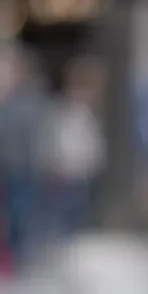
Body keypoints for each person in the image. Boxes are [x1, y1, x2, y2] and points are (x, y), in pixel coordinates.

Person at [0, 49, 47, 270]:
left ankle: (19, 253)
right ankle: (9, 254)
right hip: (4, 169)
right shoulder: (1, 103)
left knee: (21, 212)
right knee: (6, 214)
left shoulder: (32, 101)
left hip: (25, 168)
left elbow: (37, 136)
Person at [39, 60, 107, 239]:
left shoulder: (88, 115)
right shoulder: (63, 113)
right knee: (64, 218)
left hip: (82, 174)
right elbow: (57, 142)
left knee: (80, 217)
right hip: (65, 174)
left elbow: (93, 144)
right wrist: (55, 164)